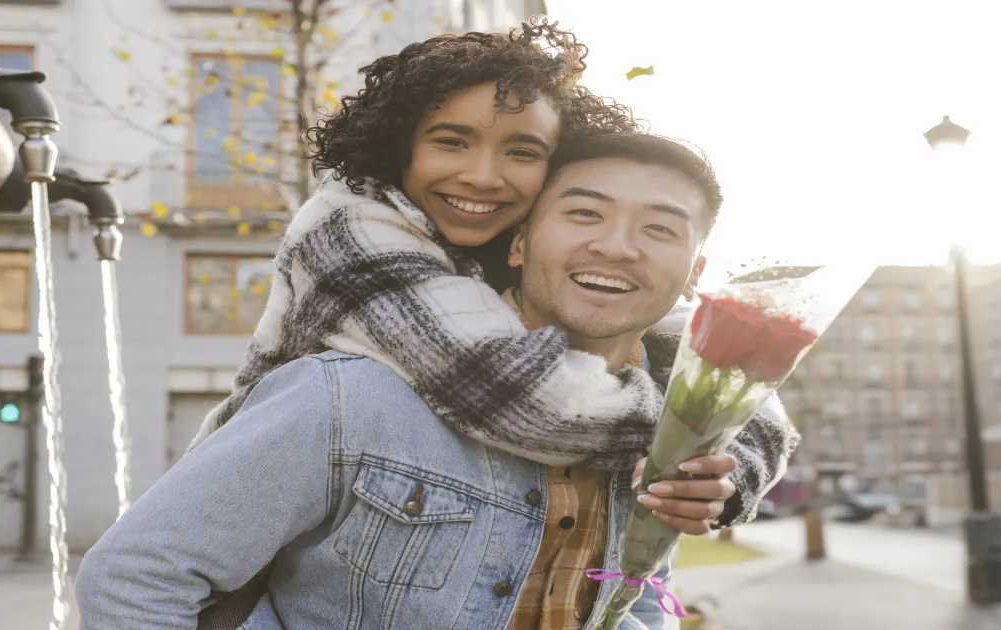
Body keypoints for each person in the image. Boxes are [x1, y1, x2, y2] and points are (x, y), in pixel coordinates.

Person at [76, 133, 776, 630]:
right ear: (521, 241)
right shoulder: (350, 397)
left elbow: (637, 595)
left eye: (660, 229)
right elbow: (135, 579)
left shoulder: (657, 433)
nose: (617, 245)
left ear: (694, 274)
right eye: (585, 213)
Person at [184, 19, 797, 529]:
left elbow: (725, 375)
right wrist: (686, 450)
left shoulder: (518, 234)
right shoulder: (349, 228)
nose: (483, 175)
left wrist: (732, 467)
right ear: (402, 150)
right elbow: (528, 401)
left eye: (522, 152)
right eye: (451, 142)